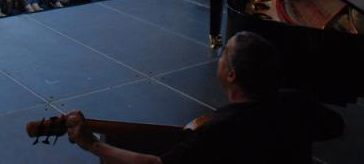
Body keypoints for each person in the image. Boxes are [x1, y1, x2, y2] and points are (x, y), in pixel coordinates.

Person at [65, 31, 344, 164]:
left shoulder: (220, 129)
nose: (219, 57)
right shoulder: (296, 102)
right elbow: (335, 127)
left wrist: (93, 145)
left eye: (224, 53)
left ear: (232, 74)